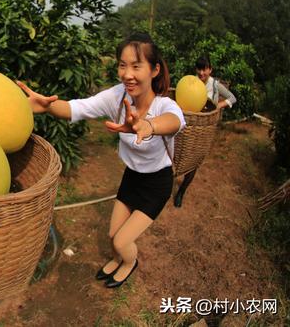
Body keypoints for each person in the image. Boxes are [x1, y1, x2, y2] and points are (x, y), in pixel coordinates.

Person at [17, 32, 185, 288]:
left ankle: (129, 262)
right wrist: (47, 106)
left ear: (154, 69)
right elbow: (77, 108)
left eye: (137, 66)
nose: (128, 74)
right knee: (112, 234)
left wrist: (147, 125)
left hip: (157, 184)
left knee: (121, 240)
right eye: (123, 65)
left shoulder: (164, 105)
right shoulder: (118, 98)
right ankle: (118, 259)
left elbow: (175, 122)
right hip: (132, 177)